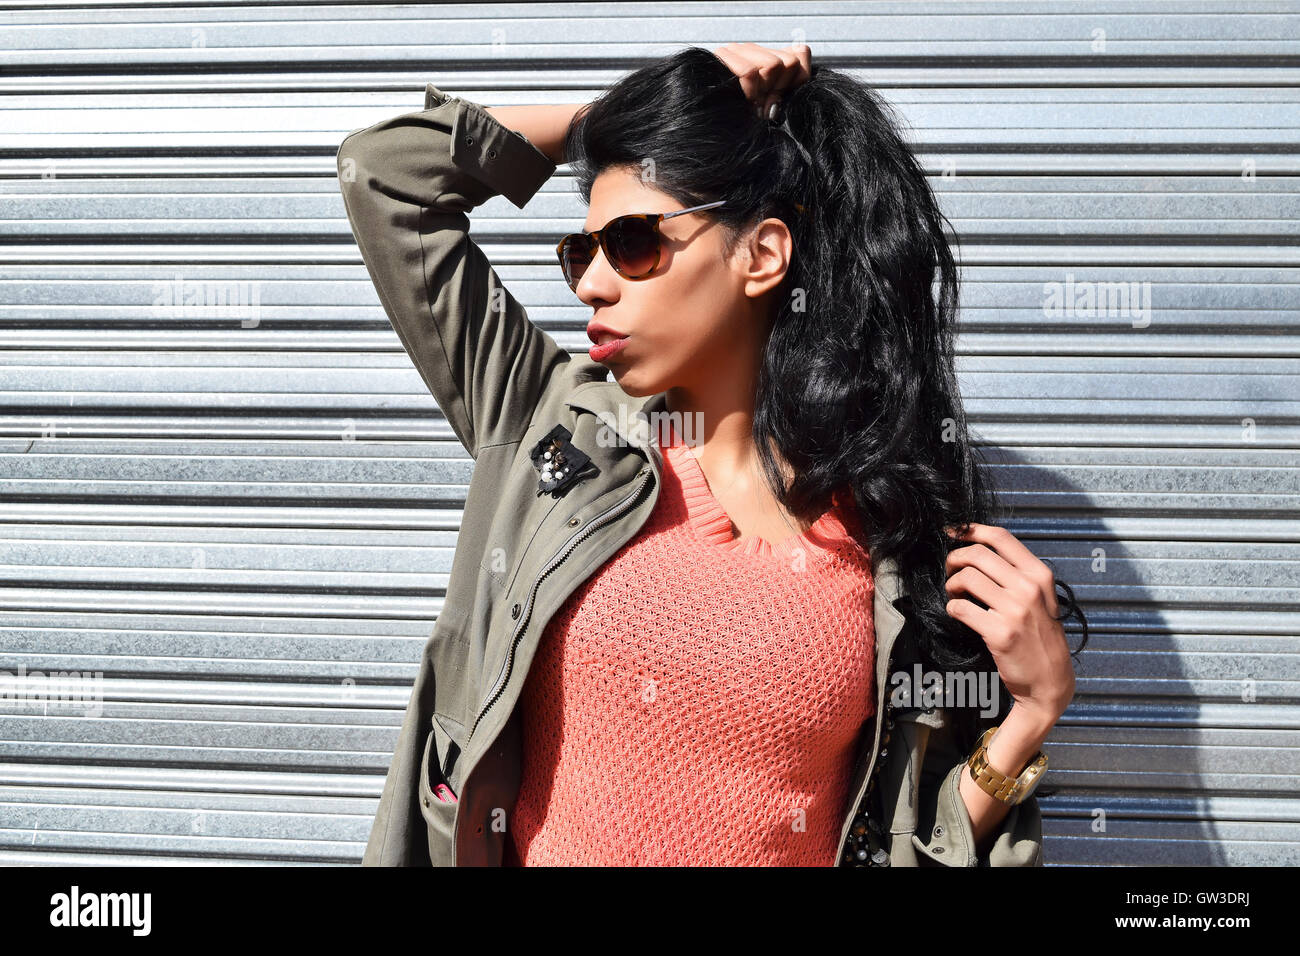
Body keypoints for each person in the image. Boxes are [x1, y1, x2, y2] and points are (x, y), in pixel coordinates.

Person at [336, 41, 1088, 867]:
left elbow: (899, 848)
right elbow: (385, 176)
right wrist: (615, 125)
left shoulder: (891, 540)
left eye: (632, 242)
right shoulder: (551, 420)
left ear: (762, 255)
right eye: (581, 253)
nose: (590, 283)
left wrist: (1028, 717)